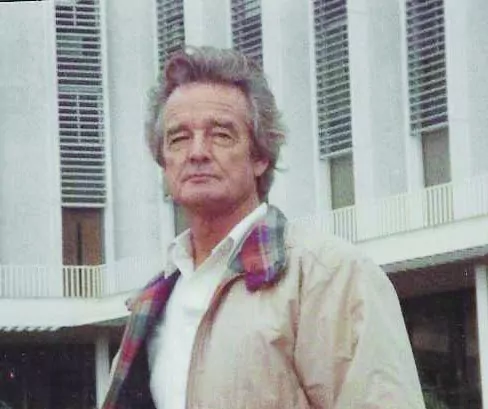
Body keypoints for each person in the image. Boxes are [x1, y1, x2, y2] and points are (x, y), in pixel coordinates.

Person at [102, 46, 426, 409]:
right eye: (178, 138)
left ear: (259, 157)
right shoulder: (154, 301)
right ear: (164, 163)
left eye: (220, 135)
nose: (197, 152)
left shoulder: (327, 275)